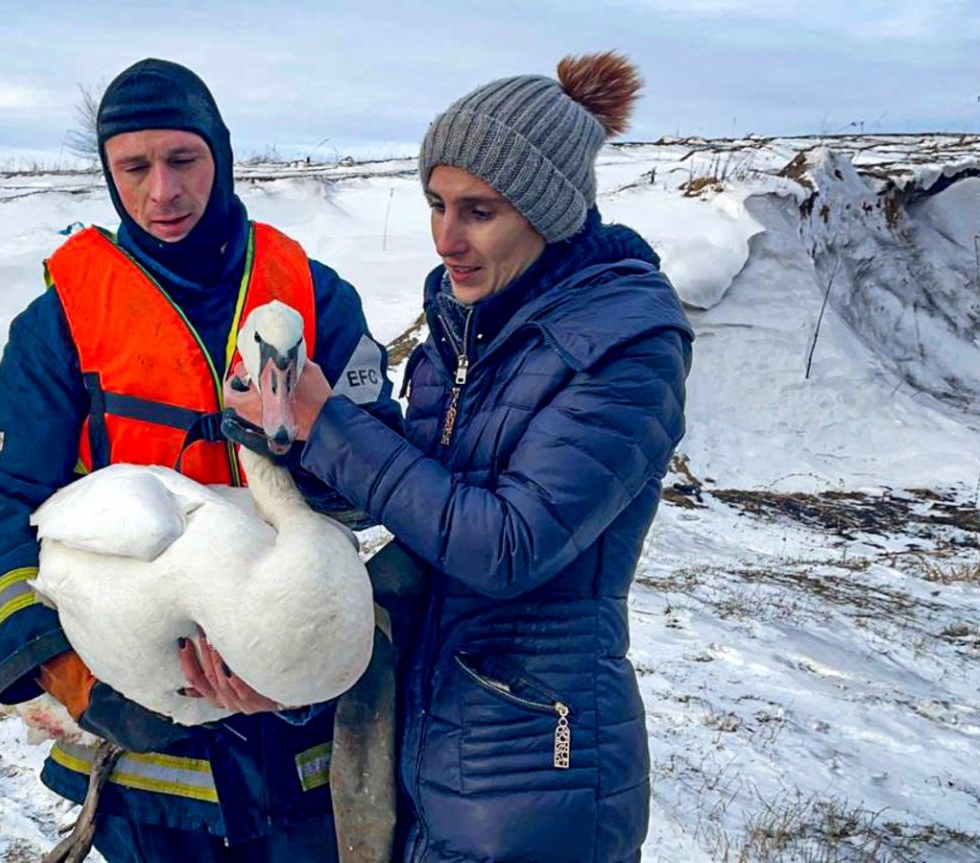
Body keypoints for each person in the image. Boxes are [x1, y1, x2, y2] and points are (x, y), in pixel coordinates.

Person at [225, 51, 692, 862]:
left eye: (479, 210)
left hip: (538, 760)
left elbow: (505, 543)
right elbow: (428, 492)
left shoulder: (628, 347)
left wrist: (330, 422)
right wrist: (293, 438)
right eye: (437, 204)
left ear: (548, 211)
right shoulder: (465, 324)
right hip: (428, 731)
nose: (448, 238)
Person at [0, 58, 401, 862]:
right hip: (153, 775)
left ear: (219, 154)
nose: (162, 192)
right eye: (134, 167)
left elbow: (389, 488)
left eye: (182, 160)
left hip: (306, 748)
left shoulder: (315, 300)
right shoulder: (64, 323)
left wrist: (309, 642)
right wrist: (85, 682)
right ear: (110, 175)